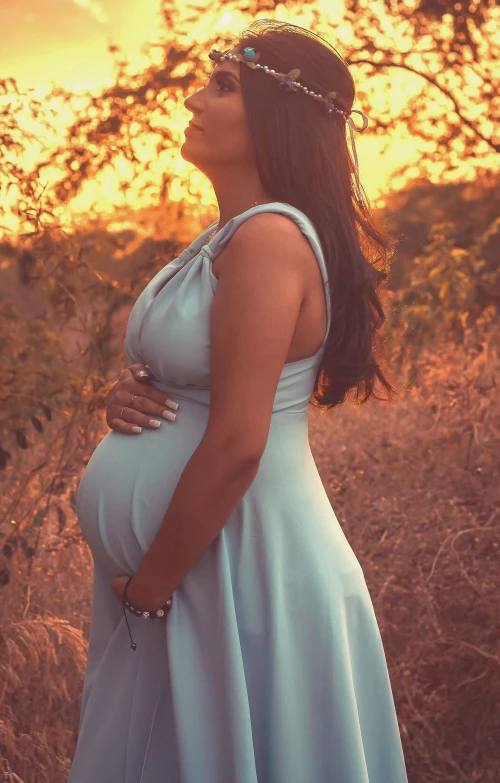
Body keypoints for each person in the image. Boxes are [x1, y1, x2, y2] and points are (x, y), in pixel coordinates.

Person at [68, 18, 408, 783]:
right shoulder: (227, 236)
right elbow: (195, 385)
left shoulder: (270, 242)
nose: (193, 99)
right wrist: (129, 399)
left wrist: (152, 586)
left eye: (223, 87)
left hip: (233, 569)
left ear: (277, 118)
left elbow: (236, 446)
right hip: (181, 572)